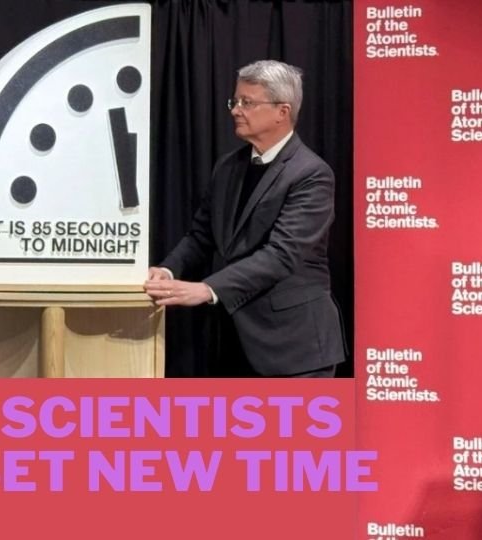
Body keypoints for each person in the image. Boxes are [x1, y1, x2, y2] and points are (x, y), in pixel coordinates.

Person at [144, 60, 345, 377]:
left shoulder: (312, 174)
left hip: (295, 348)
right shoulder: (227, 167)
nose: (236, 110)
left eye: (247, 102)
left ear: (282, 111)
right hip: (235, 343)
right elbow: (201, 235)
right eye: (234, 101)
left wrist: (207, 289)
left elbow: (282, 255)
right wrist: (169, 270)